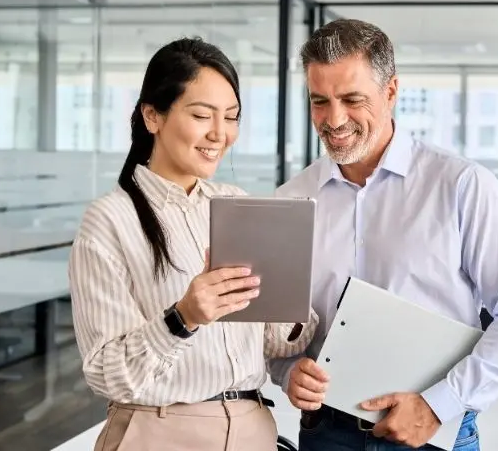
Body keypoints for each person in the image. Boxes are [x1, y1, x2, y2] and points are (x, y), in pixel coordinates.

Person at [269, 19, 498, 451]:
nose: (334, 119)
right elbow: (276, 331)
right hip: (325, 434)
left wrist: (440, 404)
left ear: (391, 92)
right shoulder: (292, 199)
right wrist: (288, 371)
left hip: (432, 434)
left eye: (351, 99)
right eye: (319, 101)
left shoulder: (462, 186)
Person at [68, 37, 318, 451]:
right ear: (152, 115)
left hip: (252, 429)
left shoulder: (236, 203)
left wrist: (291, 288)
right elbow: (106, 373)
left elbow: (276, 343)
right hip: (160, 433)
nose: (219, 134)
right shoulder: (110, 219)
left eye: (232, 117)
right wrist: (183, 317)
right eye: (202, 115)